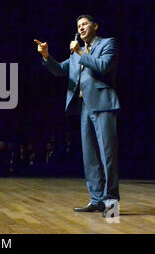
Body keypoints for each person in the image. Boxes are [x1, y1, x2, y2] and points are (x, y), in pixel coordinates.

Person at [35, 15, 120, 217]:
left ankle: (111, 206)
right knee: (89, 156)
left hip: (103, 104)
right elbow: (59, 71)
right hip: (84, 107)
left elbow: (103, 66)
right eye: (78, 26)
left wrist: (80, 51)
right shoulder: (75, 54)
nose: (81, 28)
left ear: (95, 26)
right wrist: (47, 56)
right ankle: (97, 200)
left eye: (84, 24)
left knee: (108, 156)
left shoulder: (107, 43)